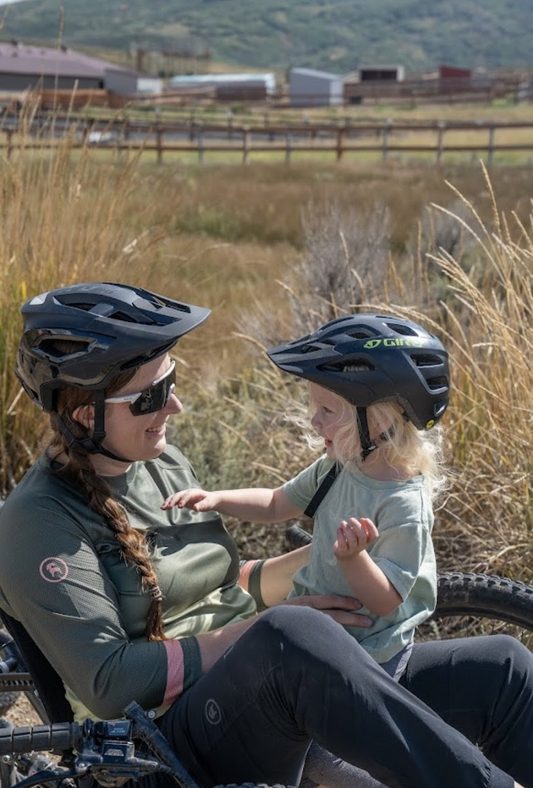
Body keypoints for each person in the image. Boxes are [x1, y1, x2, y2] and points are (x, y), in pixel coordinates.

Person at [0, 282, 530, 788]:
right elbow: (111, 684)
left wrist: (332, 562)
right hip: (155, 752)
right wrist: (261, 632)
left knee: (502, 670)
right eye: (152, 395)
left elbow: (218, 588)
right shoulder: (39, 523)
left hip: (255, 689)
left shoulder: (158, 461)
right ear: (84, 414)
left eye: (172, 383)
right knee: (291, 636)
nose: (175, 406)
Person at [163, 313, 447, 681]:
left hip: (367, 655)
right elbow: (275, 503)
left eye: (327, 410)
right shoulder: (339, 466)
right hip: (317, 630)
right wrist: (217, 498)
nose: (315, 421)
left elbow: (385, 600)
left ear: (379, 420)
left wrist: (353, 558)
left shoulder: (403, 504)